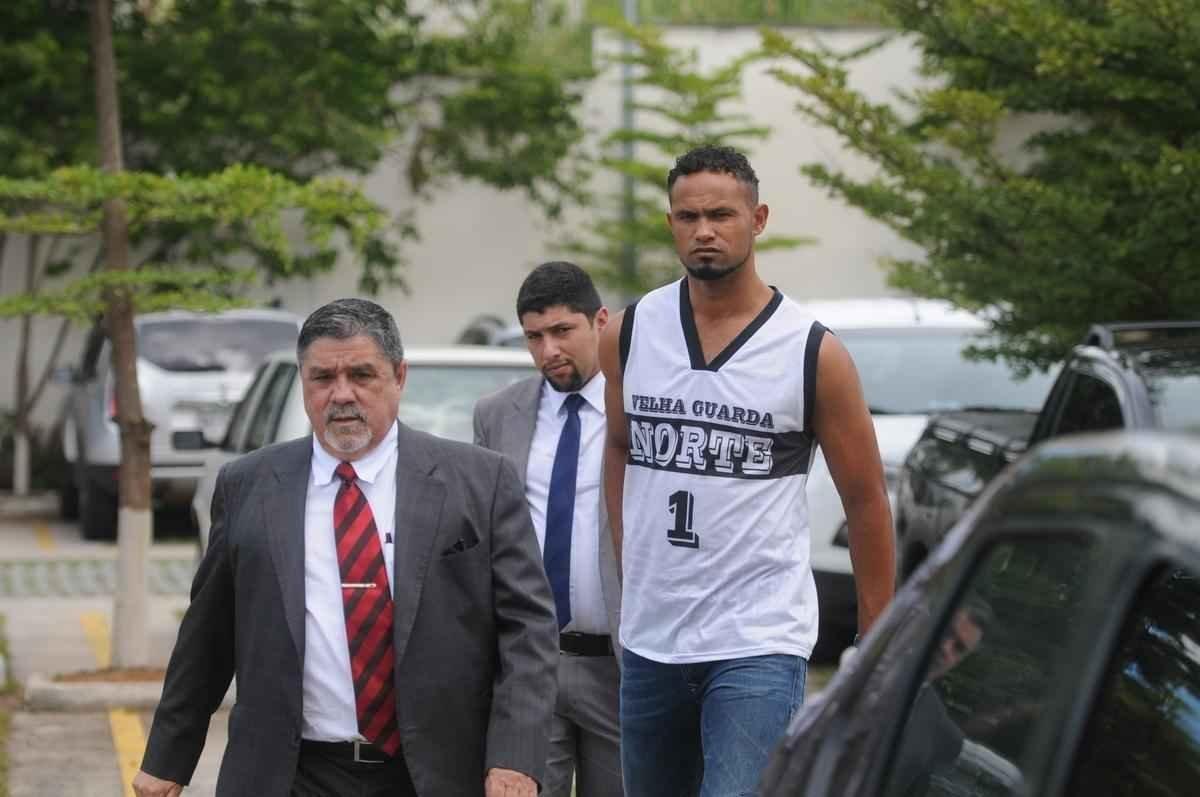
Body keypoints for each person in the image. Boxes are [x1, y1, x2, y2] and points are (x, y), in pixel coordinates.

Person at [133, 298, 559, 797]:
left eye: (361, 375)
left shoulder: (479, 481)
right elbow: (207, 637)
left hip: (434, 773)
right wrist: (167, 758)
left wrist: (514, 757)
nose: (342, 395)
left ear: (399, 376)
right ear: (303, 381)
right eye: (322, 378)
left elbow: (527, 630)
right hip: (291, 774)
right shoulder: (248, 485)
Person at [598, 145, 896, 796]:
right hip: (653, 637)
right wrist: (628, 556)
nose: (704, 229)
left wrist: (878, 644)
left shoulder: (812, 351)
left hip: (756, 638)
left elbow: (867, 500)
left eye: (721, 214)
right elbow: (619, 447)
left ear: (757, 218)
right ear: (670, 222)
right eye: (687, 215)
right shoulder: (628, 332)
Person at [473, 262, 624, 797]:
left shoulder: (639, 405)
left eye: (563, 332)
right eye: (534, 337)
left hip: (619, 664)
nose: (548, 351)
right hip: (529, 666)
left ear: (600, 321)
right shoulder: (497, 415)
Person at [886, 601, 991, 797]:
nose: (946, 648)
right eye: (947, 631)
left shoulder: (943, 735)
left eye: (958, 648)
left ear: (961, 660)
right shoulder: (868, 662)